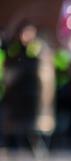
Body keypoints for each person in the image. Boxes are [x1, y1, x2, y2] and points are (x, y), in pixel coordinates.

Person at [1, 21, 55, 151]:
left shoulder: (39, 48)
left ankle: (36, 146)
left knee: (35, 127)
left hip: (35, 96)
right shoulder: (14, 48)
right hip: (18, 95)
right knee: (18, 126)